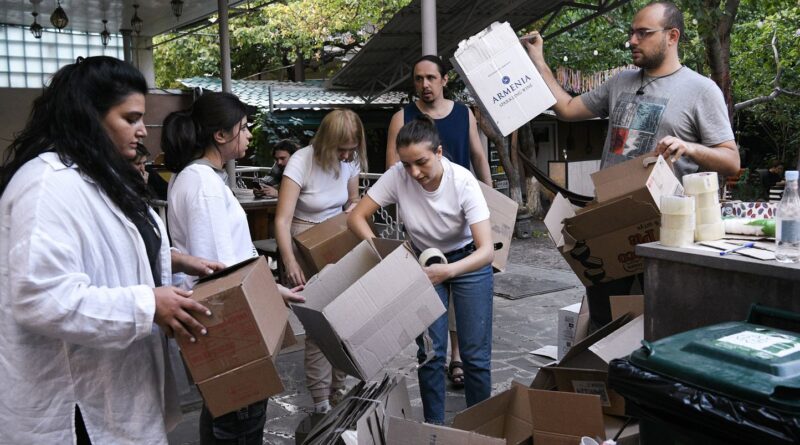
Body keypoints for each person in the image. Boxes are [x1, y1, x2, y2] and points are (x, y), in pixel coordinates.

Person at [0, 56, 223, 444]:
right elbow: (41, 297)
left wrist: (183, 277)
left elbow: (119, 255)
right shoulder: (47, 185)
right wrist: (148, 305)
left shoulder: (102, 178)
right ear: (89, 115)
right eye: (131, 118)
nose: (142, 132)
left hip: (121, 385)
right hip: (78, 406)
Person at [162, 91, 305, 445]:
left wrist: (275, 290)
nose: (249, 135)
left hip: (222, 325)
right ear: (220, 135)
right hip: (229, 330)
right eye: (243, 128)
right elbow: (221, 271)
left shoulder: (197, 178)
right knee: (239, 425)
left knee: (224, 421)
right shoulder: (203, 184)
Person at [349, 115, 494, 424]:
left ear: (439, 152)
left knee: (475, 358)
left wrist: (451, 271)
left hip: (467, 260)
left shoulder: (463, 180)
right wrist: (384, 254)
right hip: (423, 262)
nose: (414, 172)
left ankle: (484, 430)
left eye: (422, 162)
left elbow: (486, 251)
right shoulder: (398, 176)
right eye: (406, 164)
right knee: (429, 355)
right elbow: (356, 218)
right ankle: (434, 430)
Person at [523, 0, 739, 179]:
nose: (632, 41)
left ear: (672, 36)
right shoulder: (620, 81)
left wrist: (689, 147)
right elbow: (567, 109)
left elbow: (731, 162)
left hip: (666, 221)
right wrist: (539, 61)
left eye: (643, 33)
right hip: (611, 212)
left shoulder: (702, 90)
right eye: (632, 33)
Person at [385, 55, 493, 388]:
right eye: (418, 79)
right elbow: (394, 173)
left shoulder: (463, 114)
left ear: (445, 80)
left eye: (431, 77)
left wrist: (493, 201)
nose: (425, 85)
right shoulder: (402, 117)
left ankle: (458, 357)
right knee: (431, 342)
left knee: (468, 305)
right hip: (422, 222)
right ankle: (444, 363)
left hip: (463, 213)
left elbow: (477, 156)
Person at [274, 108, 367, 413]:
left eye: (351, 149)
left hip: (335, 238)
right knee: (317, 326)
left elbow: (352, 200)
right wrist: (290, 262)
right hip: (303, 239)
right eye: (341, 149)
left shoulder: (350, 160)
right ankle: (320, 400)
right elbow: (282, 219)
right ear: (326, 142)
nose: (346, 156)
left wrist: (353, 209)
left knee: (342, 320)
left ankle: (338, 389)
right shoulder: (301, 161)